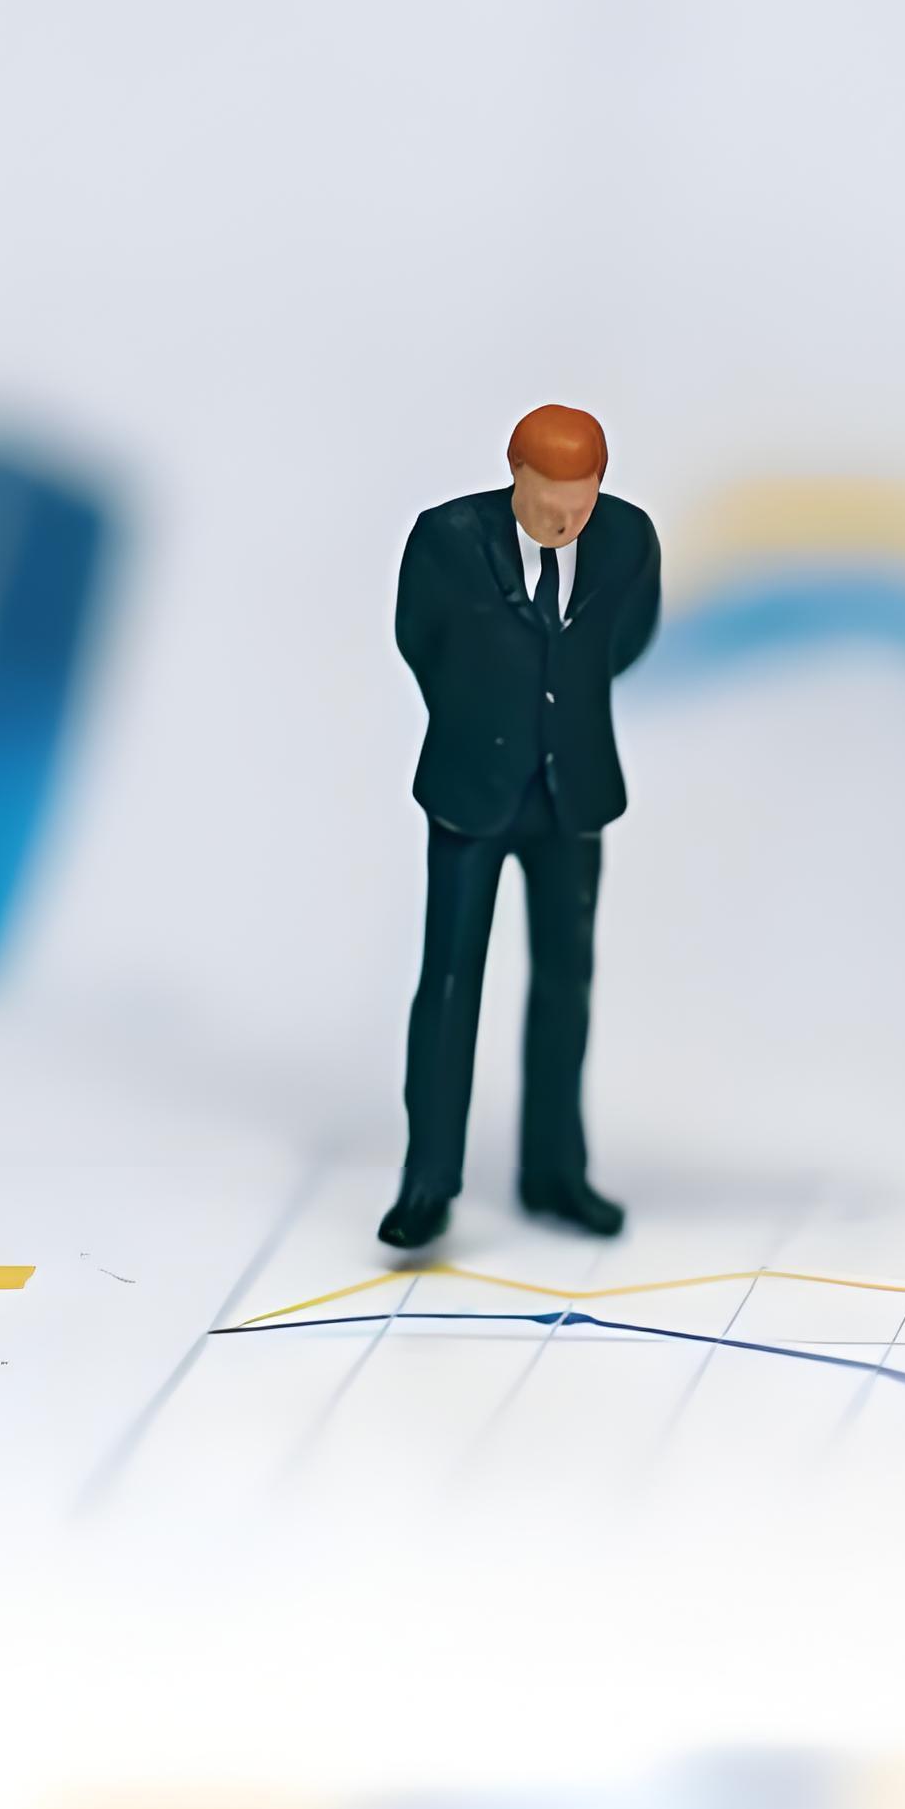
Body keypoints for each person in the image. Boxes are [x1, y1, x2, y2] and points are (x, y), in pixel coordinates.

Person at [380, 402, 659, 1251]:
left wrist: (558, 716)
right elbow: (420, 640)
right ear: (515, 477)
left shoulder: (628, 540)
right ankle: (429, 1180)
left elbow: (626, 639)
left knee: (566, 983)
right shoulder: (447, 540)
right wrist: (485, 717)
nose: (563, 522)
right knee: (450, 981)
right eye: (546, 504)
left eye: (579, 504)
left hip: (572, 791)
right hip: (473, 789)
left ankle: (555, 1173)